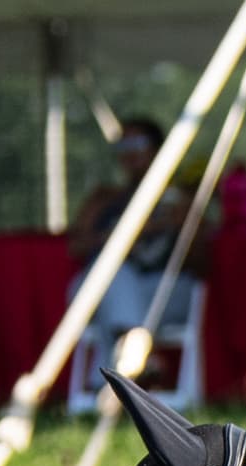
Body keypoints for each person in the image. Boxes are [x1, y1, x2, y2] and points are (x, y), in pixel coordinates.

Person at [65, 118, 207, 341]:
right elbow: (77, 247)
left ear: (159, 148)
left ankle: (121, 362)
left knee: (113, 301)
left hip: (160, 290)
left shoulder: (179, 202)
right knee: (112, 275)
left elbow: (201, 262)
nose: (129, 153)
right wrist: (122, 236)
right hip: (103, 288)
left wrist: (181, 223)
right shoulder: (104, 198)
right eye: (123, 146)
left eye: (138, 144)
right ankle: (138, 358)